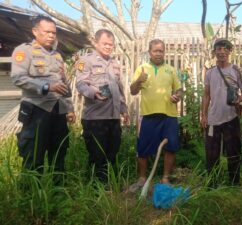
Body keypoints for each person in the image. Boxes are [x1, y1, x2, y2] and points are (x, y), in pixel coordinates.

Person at [11, 15, 75, 177]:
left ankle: (58, 193)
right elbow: (18, 78)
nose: (51, 36)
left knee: (59, 151)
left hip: (58, 111)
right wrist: (46, 87)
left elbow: (64, 83)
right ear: (35, 31)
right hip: (36, 110)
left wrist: (69, 109)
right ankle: (31, 195)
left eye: (53, 33)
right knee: (33, 153)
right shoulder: (24, 51)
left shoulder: (57, 55)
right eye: (47, 32)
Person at [75, 29, 129, 183]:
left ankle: (111, 187)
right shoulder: (86, 61)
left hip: (113, 117)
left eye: (111, 45)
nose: (108, 47)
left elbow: (119, 89)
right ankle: (96, 191)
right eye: (105, 43)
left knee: (112, 154)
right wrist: (93, 92)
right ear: (96, 42)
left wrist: (124, 109)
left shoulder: (115, 63)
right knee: (97, 156)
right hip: (95, 118)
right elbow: (80, 84)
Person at [130, 39, 182, 187]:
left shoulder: (171, 70)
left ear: (164, 52)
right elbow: (133, 92)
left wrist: (177, 97)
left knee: (170, 147)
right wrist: (139, 81)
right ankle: (141, 179)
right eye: (155, 51)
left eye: (161, 51)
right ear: (150, 52)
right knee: (143, 148)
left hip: (169, 115)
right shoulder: (142, 68)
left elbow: (179, 90)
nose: (158, 54)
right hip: (148, 114)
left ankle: (165, 178)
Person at [200, 38, 242, 186]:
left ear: (230, 52)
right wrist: (203, 115)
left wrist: (239, 100)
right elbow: (206, 95)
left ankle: (234, 183)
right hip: (213, 119)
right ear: (214, 52)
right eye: (218, 49)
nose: (222, 52)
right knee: (211, 153)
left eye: (225, 49)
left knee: (234, 152)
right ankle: (212, 183)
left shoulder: (236, 70)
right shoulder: (210, 73)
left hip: (231, 118)